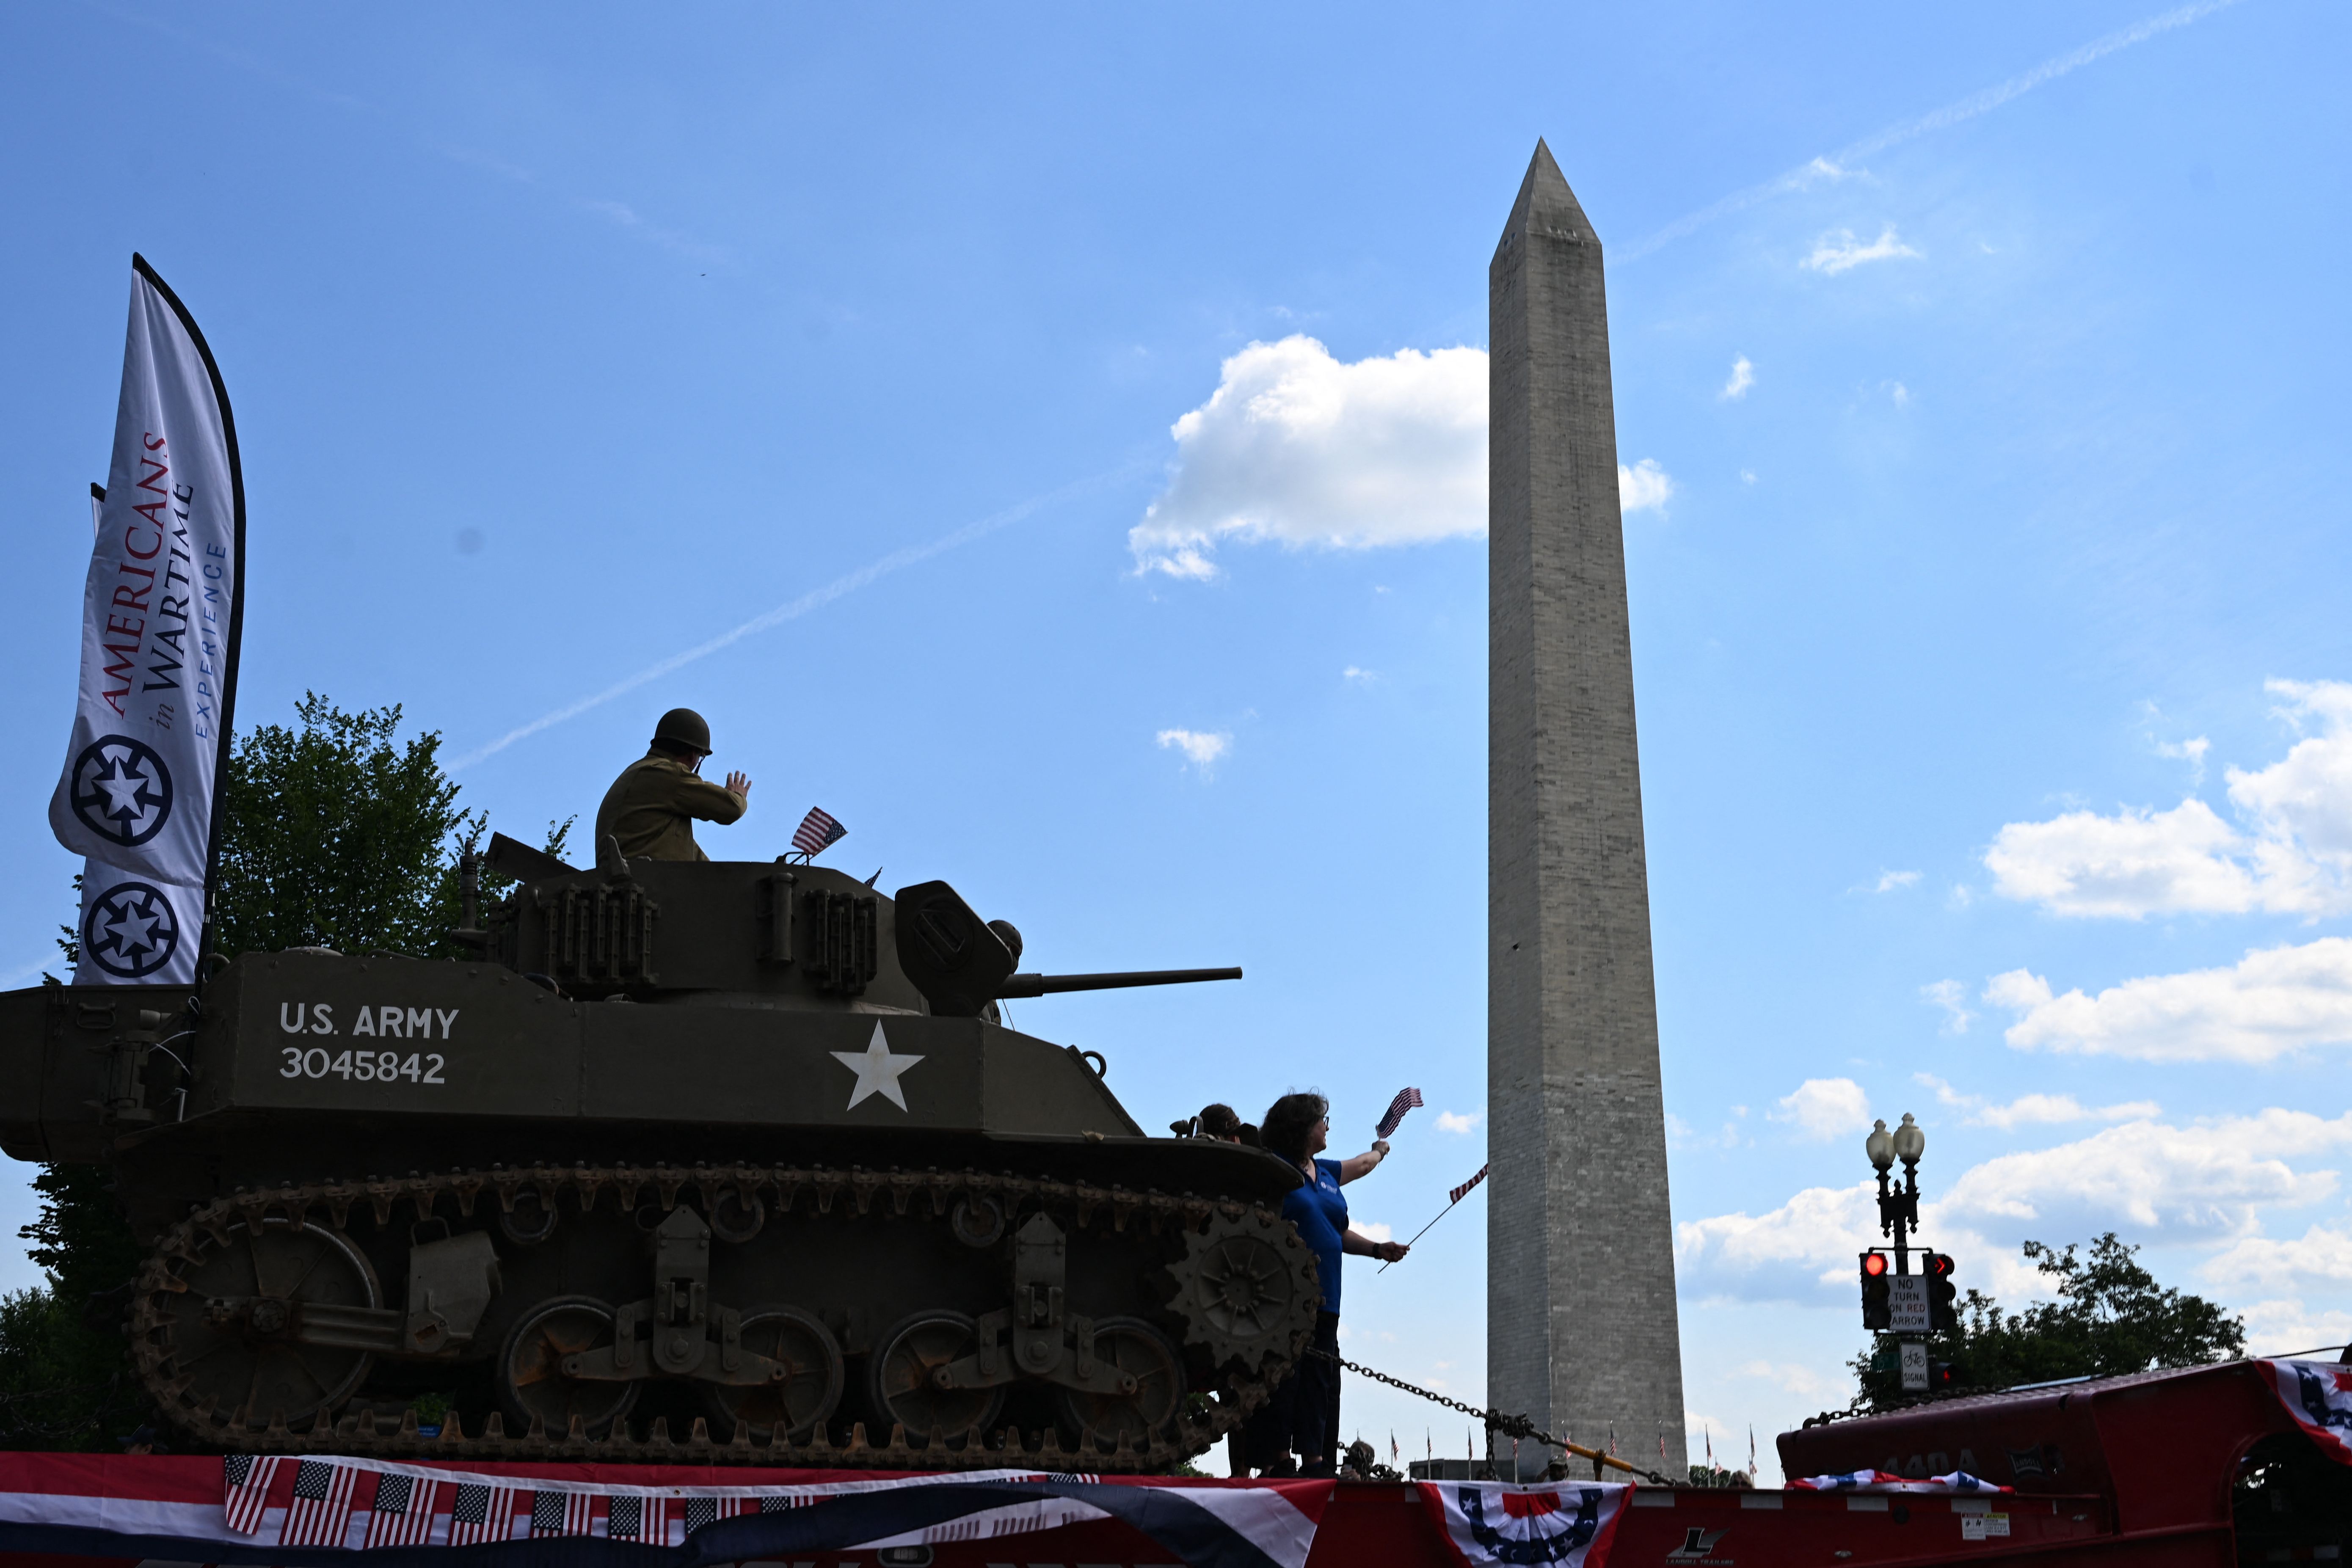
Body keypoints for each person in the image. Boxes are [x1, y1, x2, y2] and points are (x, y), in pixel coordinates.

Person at [1248, 1091, 1407, 1478]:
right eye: (1322, 1120)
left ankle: (1316, 1460)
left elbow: (1339, 1227)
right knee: (1286, 1377)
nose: (1327, 1126)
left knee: (1321, 1382)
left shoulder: (1328, 1173)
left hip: (1327, 1300)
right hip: (1285, 1297)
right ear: (1302, 1128)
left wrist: (1376, 1249)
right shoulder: (1275, 1172)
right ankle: (1277, 1459)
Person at [594, 708, 751, 862]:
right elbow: (732, 808)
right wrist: (738, 796)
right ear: (692, 755)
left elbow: (688, 850)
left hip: (627, 877)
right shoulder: (668, 775)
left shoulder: (639, 772)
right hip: (648, 880)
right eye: (701, 756)